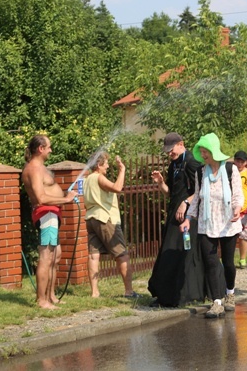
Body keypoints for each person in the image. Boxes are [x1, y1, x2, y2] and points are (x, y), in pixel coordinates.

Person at [180, 133, 243, 319]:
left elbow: (238, 195)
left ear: (213, 150)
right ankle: (216, 302)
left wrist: (238, 208)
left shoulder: (231, 169)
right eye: (201, 151)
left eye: (205, 150)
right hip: (207, 223)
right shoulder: (201, 172)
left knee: (228, 263)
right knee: (210, 262)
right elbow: (198, 198)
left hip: (227, 223)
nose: (203, 154)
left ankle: (230, 293)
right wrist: (188, 218)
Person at [148, 132, 207, 308]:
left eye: (171, 150)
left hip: (188, 216)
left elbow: (201, 189)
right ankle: (166, 294)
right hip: (175, 215)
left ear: (181, 144)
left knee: (182, 254)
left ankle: (184, 294)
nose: (169, 154)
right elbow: (171, 193)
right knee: (170, 253)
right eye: (167, 151)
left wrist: (185, 203)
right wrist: (160, 183)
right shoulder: (174, 164)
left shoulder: (191, 161)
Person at [22, 135, 78, 310]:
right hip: (46, 215)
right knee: (46, 257)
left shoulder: (40, 167)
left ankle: (51, 296)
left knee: (56, 256)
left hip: (52, 215)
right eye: (49, 147)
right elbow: (41, 198)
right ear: (40, 149)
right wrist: (67, 199)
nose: (51, 150)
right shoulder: (34, 169)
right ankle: (42, 300)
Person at [83, 151, 138, 298]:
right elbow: (117, 188)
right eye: (106, 163)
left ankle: (94, 292)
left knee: (93, 256)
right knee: (122, 254)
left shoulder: (87, 179)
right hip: (105, 219)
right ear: (99, 164)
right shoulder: (99, 177)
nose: (107, 166)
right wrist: (122, 170)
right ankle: (129, 291)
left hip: (91, 218)